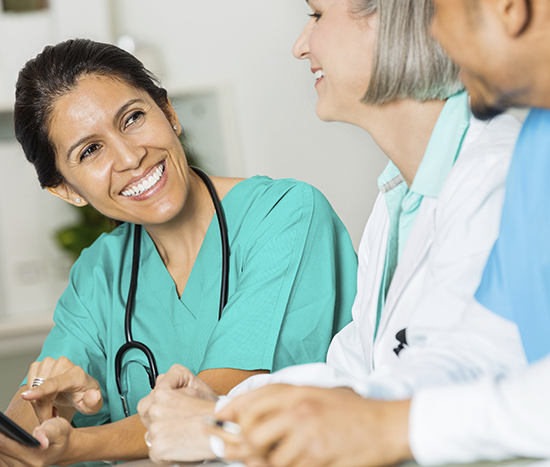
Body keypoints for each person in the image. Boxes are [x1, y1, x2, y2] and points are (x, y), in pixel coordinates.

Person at [137, 0, 529, 463]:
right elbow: (355, 367)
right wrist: (224, 406)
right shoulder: (397, 199)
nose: (300, 46)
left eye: (317, 15)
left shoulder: (500, 175)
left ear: (390, 19)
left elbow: (458, 381)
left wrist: (224, 428)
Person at [0, 38, 359, 467]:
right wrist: (44, 406)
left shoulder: (286, 215)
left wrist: (76, 446)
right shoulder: (100, 273)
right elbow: (24, 419)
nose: (131, 157)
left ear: (168, 114)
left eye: (132, 118)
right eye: (90, 150)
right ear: (66, 190)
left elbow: (218, 397)